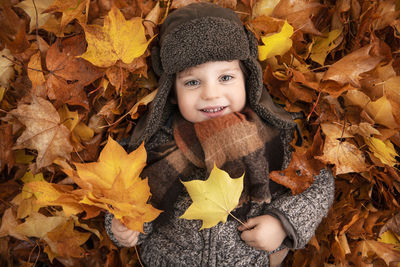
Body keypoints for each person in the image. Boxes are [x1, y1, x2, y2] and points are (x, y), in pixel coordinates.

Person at [105, 3, 335, 266]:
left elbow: (319, 184)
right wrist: (122, 226)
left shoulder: (275, 134)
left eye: (225, 78)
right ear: (172, 91)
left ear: (248, 79)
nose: (210, 94)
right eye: (193, 82)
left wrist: (282, 223)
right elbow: (120, 194)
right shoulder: (155, 142)